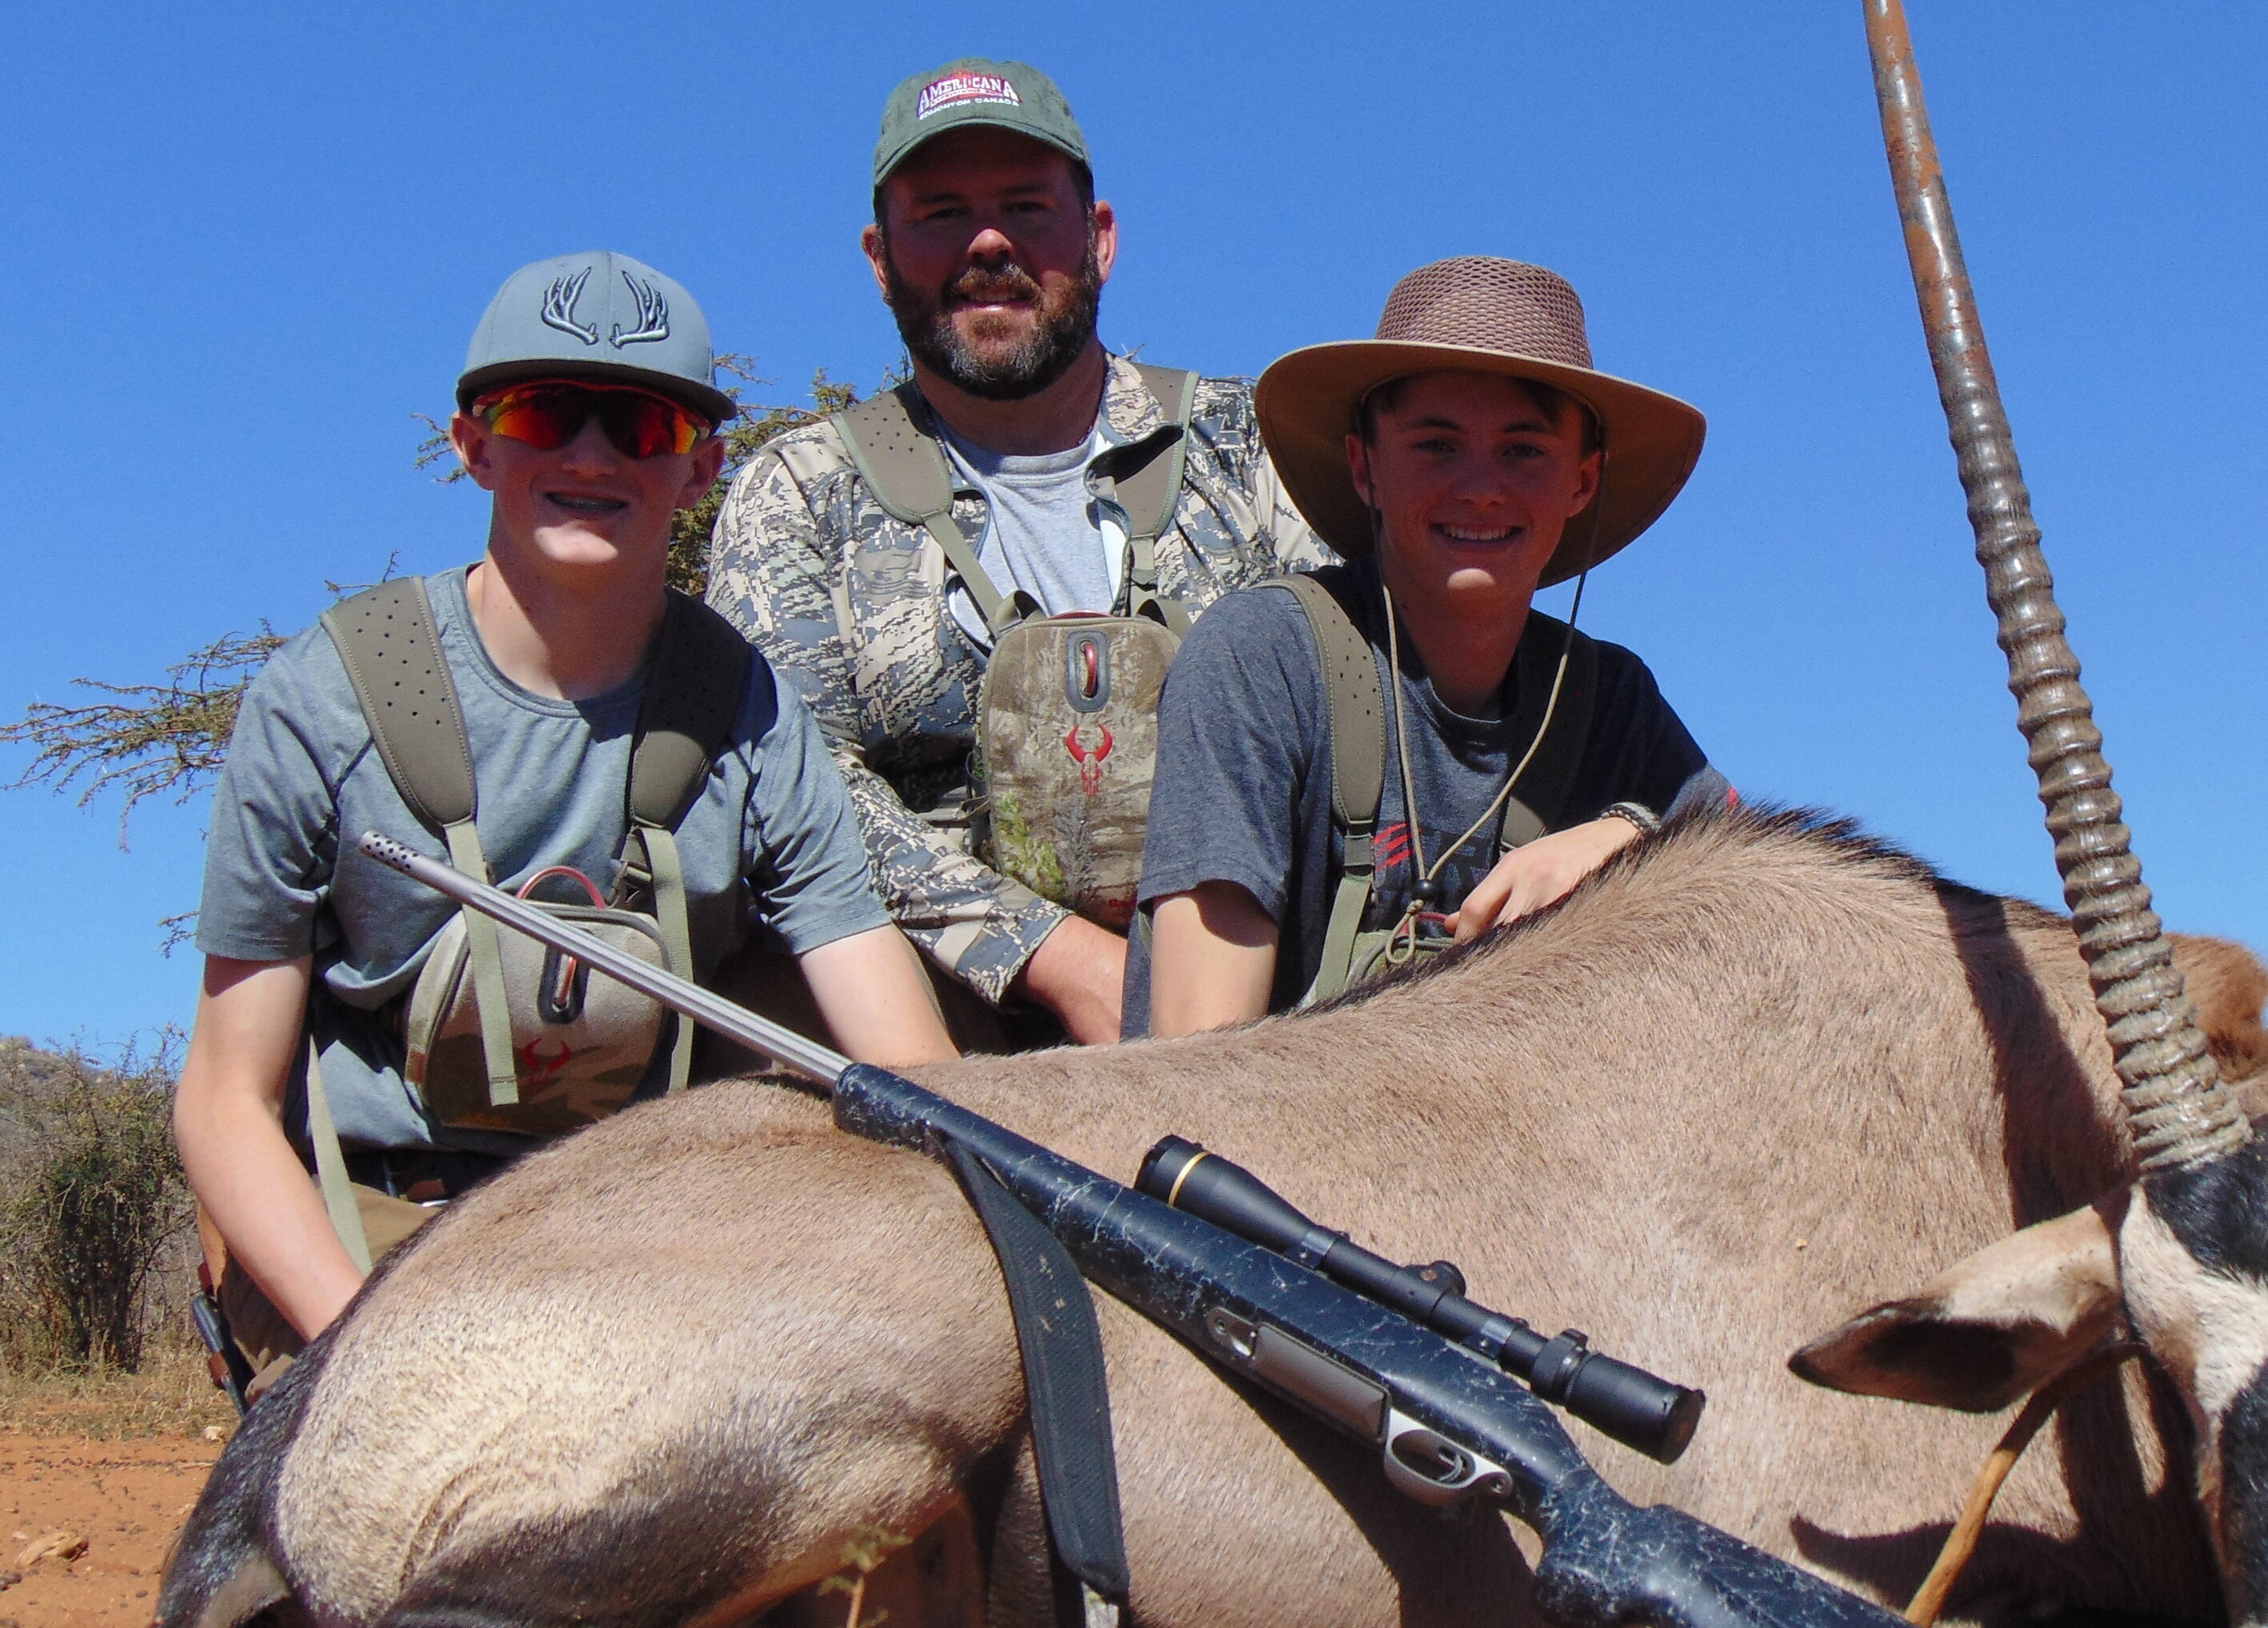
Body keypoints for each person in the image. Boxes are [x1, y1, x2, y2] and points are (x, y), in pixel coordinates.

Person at [176, 251, 956, 1392]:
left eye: (638, 423)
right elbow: (223, 1099)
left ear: (700, 466)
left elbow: (900, 1049)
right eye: (545, 412)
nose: (589, 453)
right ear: (474, 444)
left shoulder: (750, 711)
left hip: (638, 1232)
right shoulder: (327, 692)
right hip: (372, 1231)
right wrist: (362, 1359)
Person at [708, 58, 1325, 1049]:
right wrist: (1057, 959)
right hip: (948, 1043)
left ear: (1101, 238)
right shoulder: (798, 490)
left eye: (1027, 207)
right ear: (878, 257)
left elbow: (1370, 712)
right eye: (941, 212)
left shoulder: (1255, 443)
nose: (987, 241)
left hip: (1265, 1024)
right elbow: (792, 789)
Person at [1130, 254, 1726, 1036]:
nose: (1480, 486)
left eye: (1524, 451)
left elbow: (1749, 857)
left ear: (1582, 482)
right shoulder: (1261, 661)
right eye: (1437, 446)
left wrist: (1630, 838)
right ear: (1364, 466)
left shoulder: (1609, 701)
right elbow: (1195, 1061)